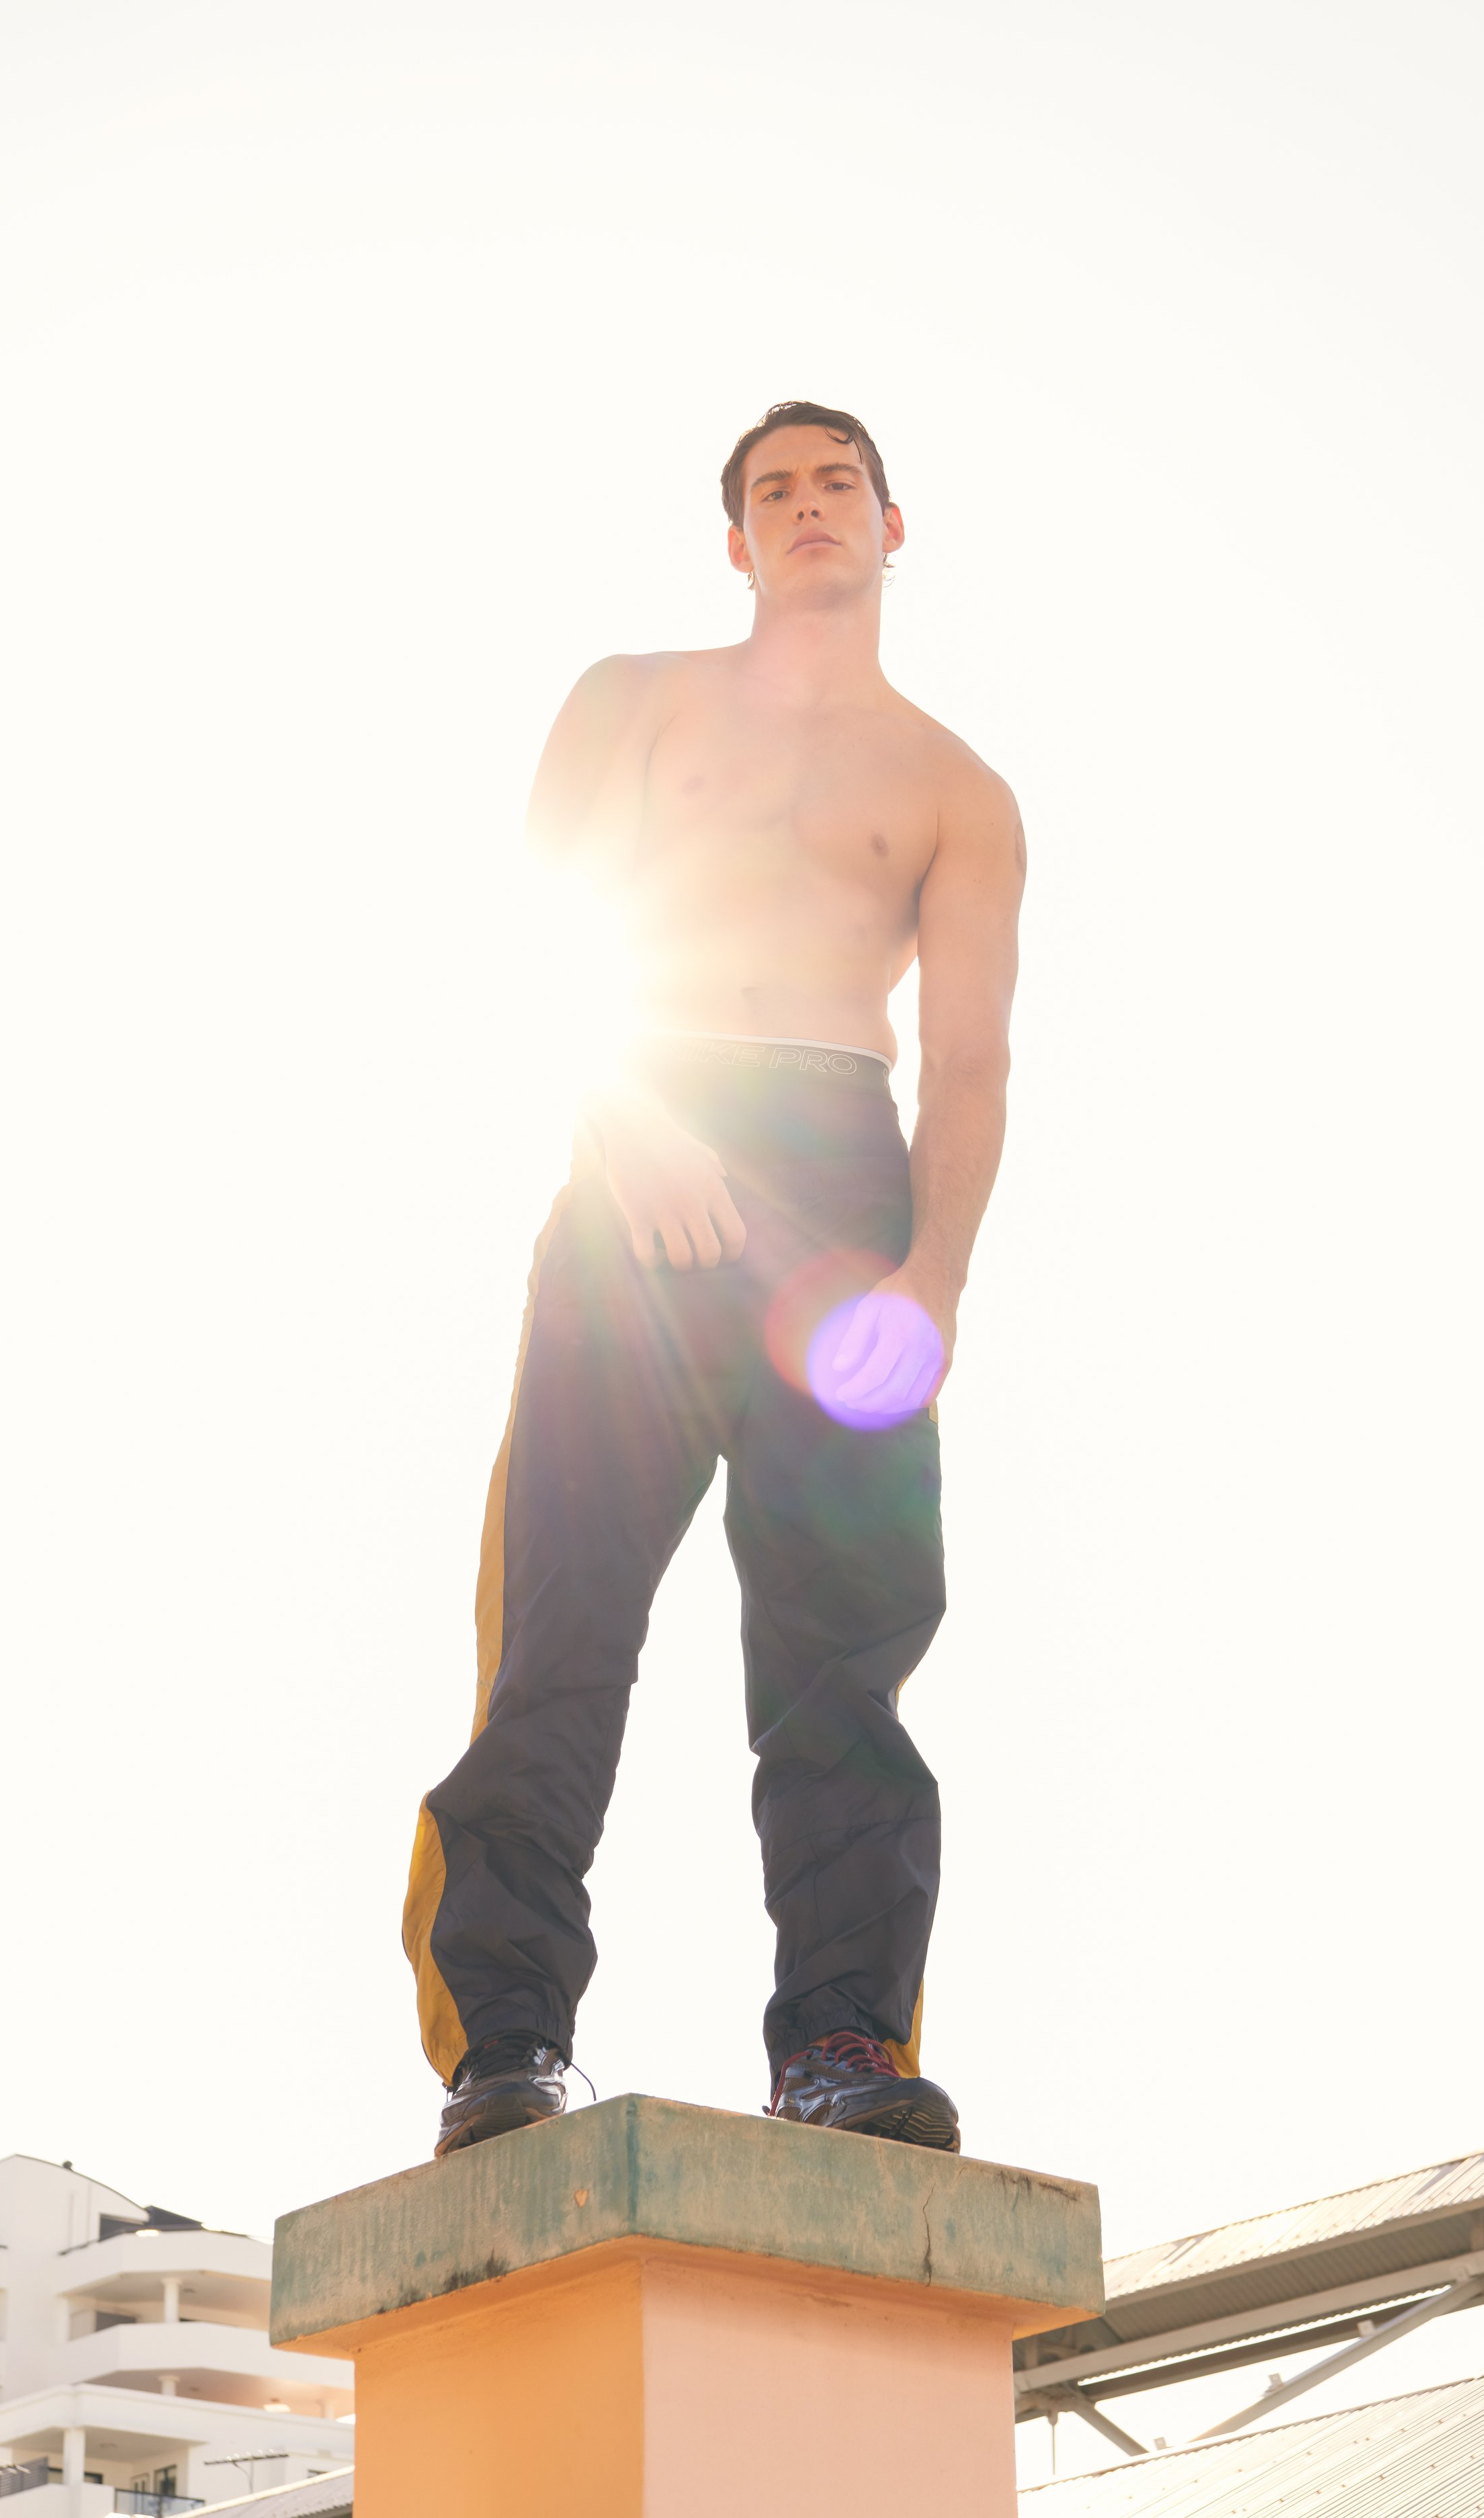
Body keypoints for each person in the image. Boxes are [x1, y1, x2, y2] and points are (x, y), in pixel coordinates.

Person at [403, 400, 1024, 2158]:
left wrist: (934, 1280)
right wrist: (634, 1122)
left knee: (847, 1652)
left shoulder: (957, 789)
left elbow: (971, 1063)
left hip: (844, 1186)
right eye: (774, 490)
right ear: (736, 542)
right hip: (642, 1161)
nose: (808, 506)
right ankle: (506, 2046)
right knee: (561, 1622)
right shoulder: (632, 702)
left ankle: (839, 2043)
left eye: (838, 483)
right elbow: (538, 933)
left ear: (893, 525)